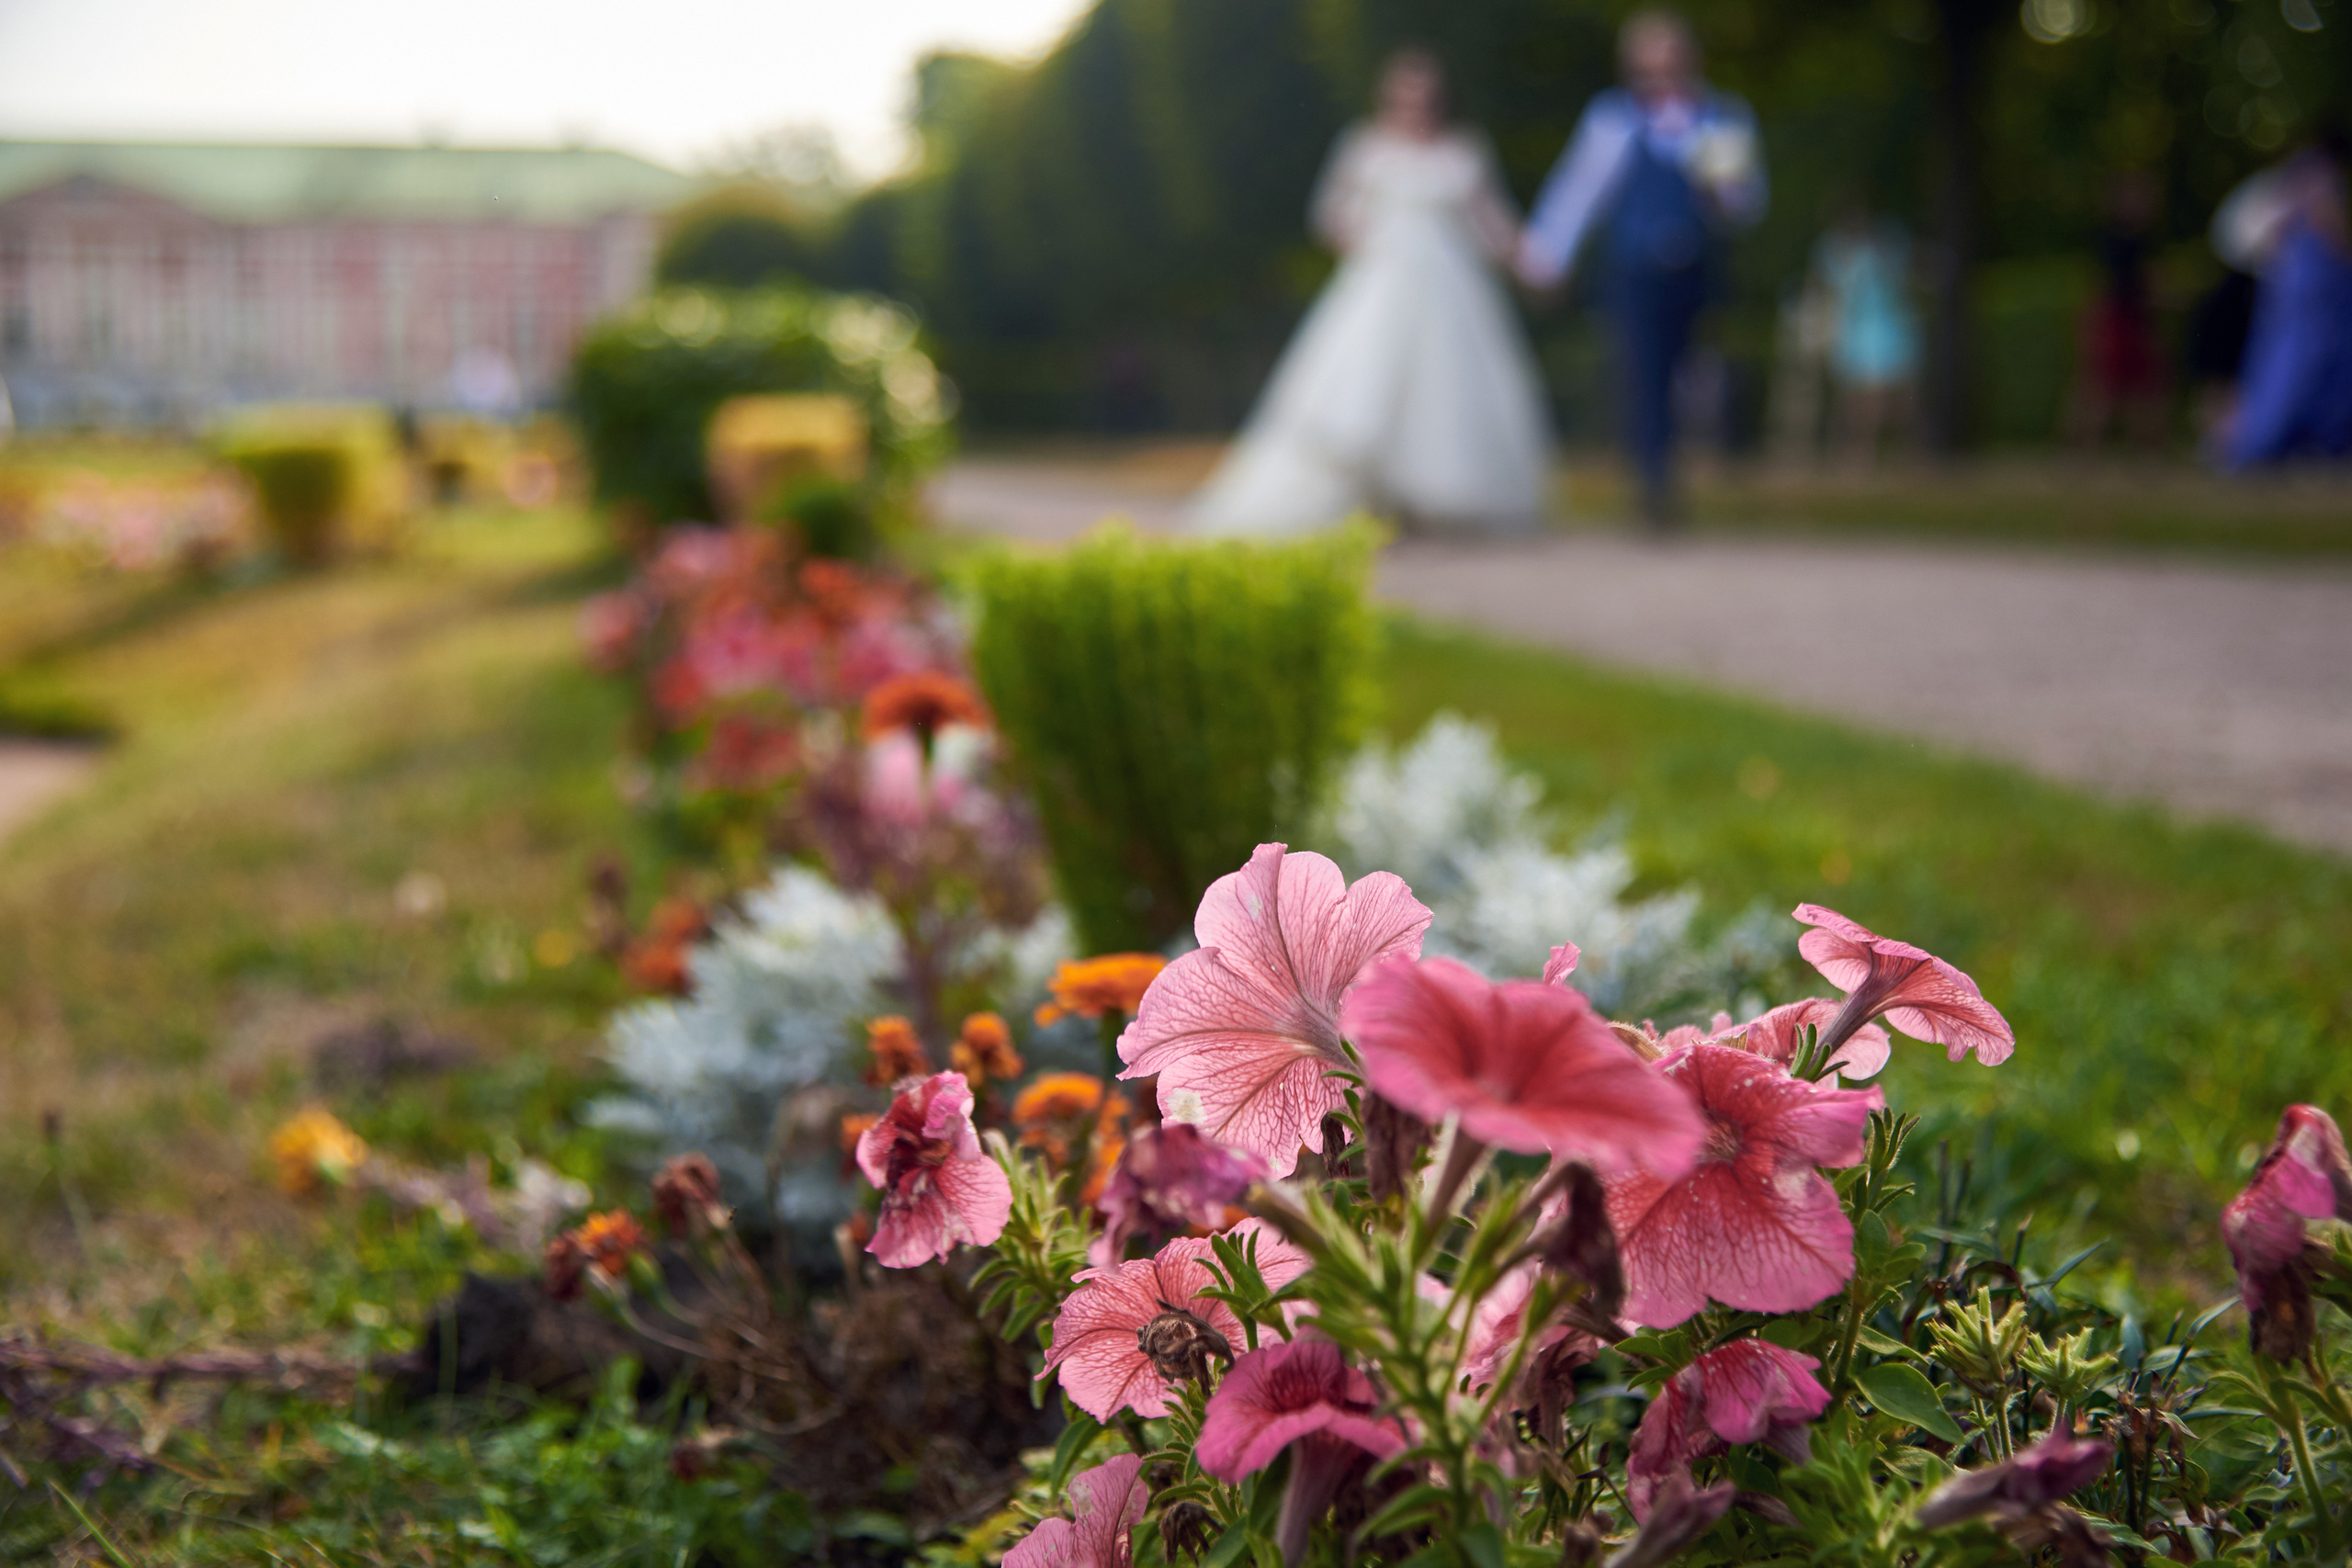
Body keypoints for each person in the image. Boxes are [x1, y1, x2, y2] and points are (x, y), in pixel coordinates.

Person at [1191, 48, 1551, 537]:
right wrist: (1366, 240)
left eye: (1424, 95)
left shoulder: (1463, 150)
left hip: (1451, 289)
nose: (1415, 105)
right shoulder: (1366, 147)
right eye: (1406, 93)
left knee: (1445, 390)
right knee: (1364, 389)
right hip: (1383, 281)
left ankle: (1434, 504)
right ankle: (1371, 501)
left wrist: (1534, 261)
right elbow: (1331, 216)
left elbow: (1492, 223)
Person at [1517, 10, 1765, 528]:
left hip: (1697, 269)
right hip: (1632, 269)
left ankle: (1676, 463)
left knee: (1691, 374)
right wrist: (1546, 255)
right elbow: (1579, 192)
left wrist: (1719, 192)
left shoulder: (1721, 118)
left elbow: (1742, 206)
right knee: (1643, 373)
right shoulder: (1612, 121)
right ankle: (1655, 483)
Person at [2222, 132, 2352, 468]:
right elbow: (2330, 225)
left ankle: (2256, 439)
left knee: (2276, 361)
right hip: (2316, 286)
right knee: (2310, 364)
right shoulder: (2323, 175)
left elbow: (2271, 232)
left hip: (2287, 282)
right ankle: (2286, 442)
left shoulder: (2292, 174)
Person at [2063, 170, 2170, 451]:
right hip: (2115, 318)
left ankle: (2148, 447)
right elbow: (2101, 285)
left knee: (2146, 388)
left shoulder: (2143, 240)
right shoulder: (2110, 240)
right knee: (2101, 387)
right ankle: (2080, 448)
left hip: (2135, 318)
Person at [1812, 201, 1919, 464]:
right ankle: (1858, 453)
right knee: (1861, 398)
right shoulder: (1833, 251)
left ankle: (1898, 453)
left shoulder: (1883, 244)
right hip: (1856, 330)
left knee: (1897, 397)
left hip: (1887, 327)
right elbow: (1827, 291)